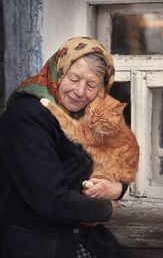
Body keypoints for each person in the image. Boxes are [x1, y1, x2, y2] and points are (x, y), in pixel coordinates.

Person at [0, 37, 127, 258]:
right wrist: (106, 208)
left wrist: (117, 188)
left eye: (91, 85)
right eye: (74, 78)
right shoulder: (27, 118)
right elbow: (49, 198)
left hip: (77, 236)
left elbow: (114, 161)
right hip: (36, 243)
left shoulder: (88, 116)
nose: (79, 91)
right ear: (58, 71)